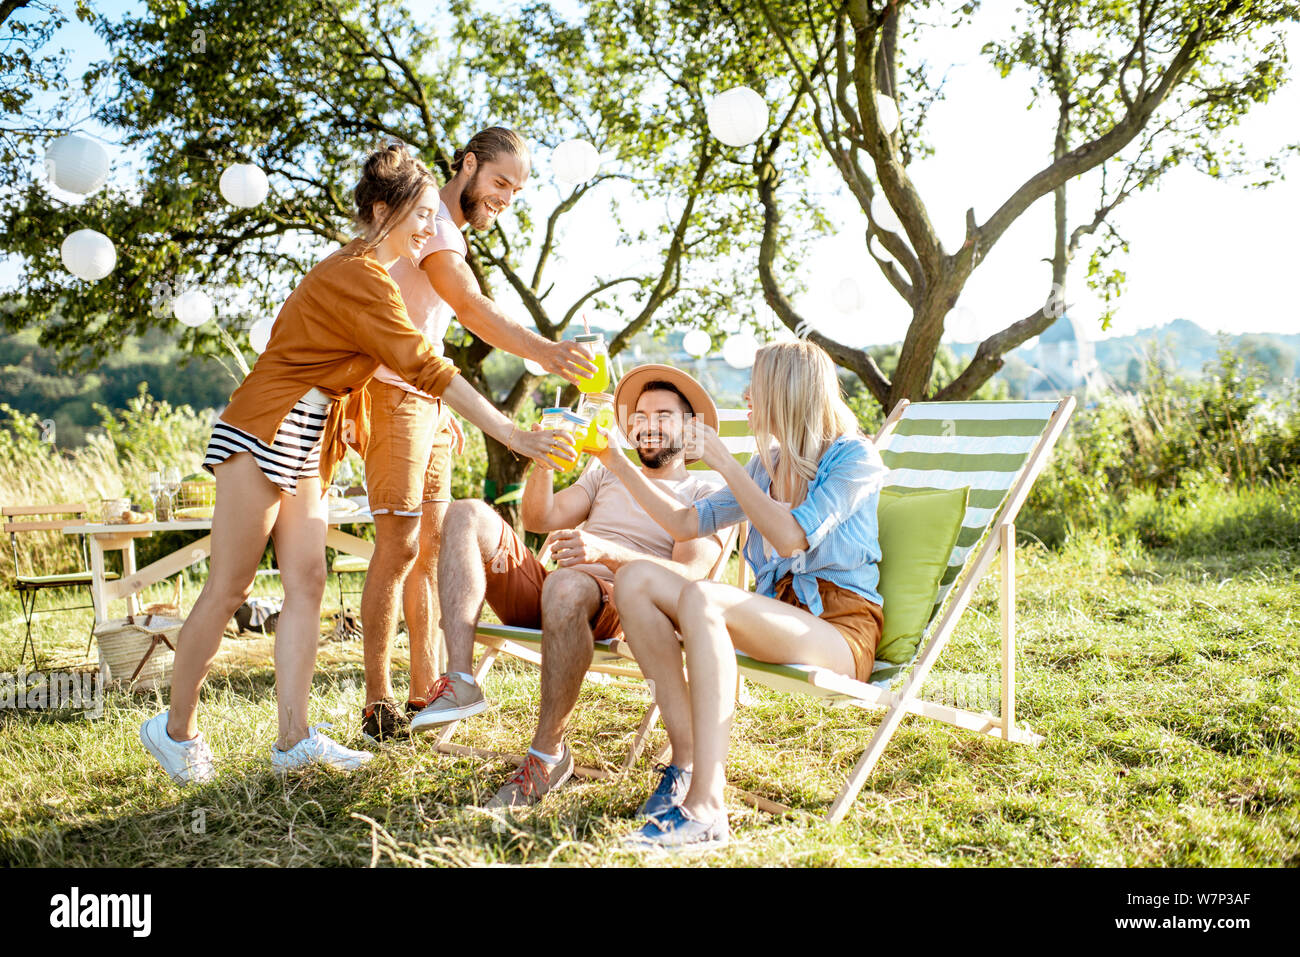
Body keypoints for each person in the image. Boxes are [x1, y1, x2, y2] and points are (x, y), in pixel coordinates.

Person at [138, 144, 575, 785]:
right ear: (380, 211)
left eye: (434, 216)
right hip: (263, 430)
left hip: (307, 443)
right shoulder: (360, 275)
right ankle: (175, 732)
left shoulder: (373, 275)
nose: (431, 229)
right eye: (421, 215)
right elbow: (426, 367)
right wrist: (511, 431)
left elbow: (417, 369)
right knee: (230, 587)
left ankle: (294, 739)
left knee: (308, 584)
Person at [594, 340, 887, 850]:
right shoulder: (765, 464)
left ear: (786, 392)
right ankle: (684, 760)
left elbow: (793, 536)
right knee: (635, 579)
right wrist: (616, 464)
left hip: (839, 632)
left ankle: (706, 808)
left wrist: (727, 464)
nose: (747, 395)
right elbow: (687, 521)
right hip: (778, 616)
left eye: (757, 385)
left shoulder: (852, 458)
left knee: (705, 597)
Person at [358, 127, 598, 742]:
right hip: (393, 396)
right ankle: (378, 702)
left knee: (431, 554)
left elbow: (432, 332)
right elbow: (469, 307)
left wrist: (443, 415)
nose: (505, 199)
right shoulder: (430, 218)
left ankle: (423, 689)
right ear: (467, 166)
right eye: (499, 183)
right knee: (399, 550)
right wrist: (545, 350)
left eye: (516, 192)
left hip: (427, 404)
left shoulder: (449, 230)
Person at [418, 365, 725, 809]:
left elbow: (688, 578)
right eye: (639, 415)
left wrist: (604, 553)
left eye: (663, 415)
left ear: (689, 427)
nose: (648, 425)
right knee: (466, 512)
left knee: (564, 584)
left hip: (623, 606)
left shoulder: (705, 488)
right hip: (557, 590)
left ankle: (547, 756)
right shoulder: (605, 475)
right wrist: (544, 462)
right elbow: (540, 520)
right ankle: (461, 680)